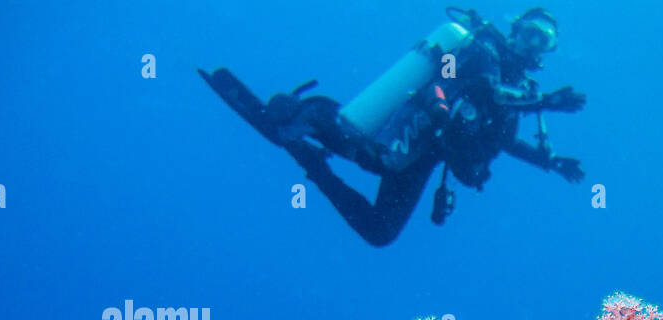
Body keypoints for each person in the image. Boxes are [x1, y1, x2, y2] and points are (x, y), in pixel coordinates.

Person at [199, 7, 586, 246]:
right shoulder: (483, 51)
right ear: (515, 30)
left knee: (380, 231)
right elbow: (486, 90)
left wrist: (550, 162)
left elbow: (505, 141)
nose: (533, 43)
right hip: (420, 128)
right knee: (371, 158)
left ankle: (311, 158)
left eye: (544, 41)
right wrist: (547, 102)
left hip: (433, 154)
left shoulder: (521, 90)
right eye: (530, 32)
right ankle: (313, 113)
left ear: (547, 52)